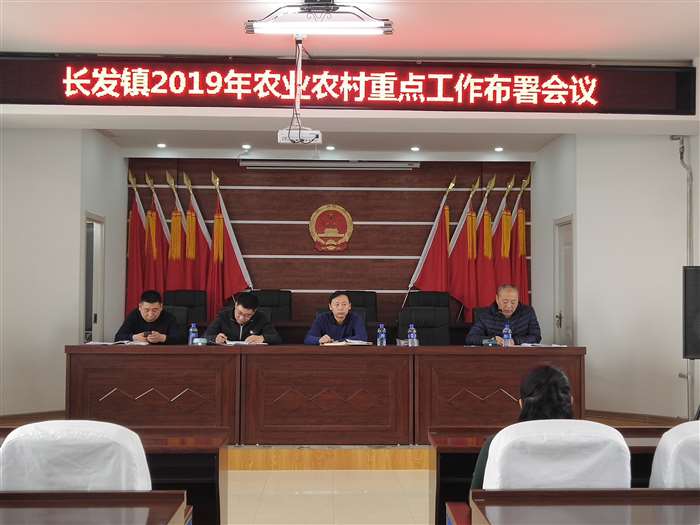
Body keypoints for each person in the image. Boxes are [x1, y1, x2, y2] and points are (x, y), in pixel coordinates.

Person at [470, 365, 573, 489]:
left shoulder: (497, 442)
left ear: (521, 404)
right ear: (571, 401)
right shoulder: (596, 436)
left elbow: (475, 496)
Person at [465, 284, 541, 346]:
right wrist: (492, 341)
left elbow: (536, 337)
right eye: (505, 302)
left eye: (513, 302)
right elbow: (470, 339)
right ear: (497, 299)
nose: (509, 306)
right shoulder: (485, 314)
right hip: (493, 357)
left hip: (521, 356)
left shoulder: (528, 312)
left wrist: (515, 341)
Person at [204, 292, 282, 345]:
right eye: (239, 313)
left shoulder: (261, 318)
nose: (241, 318)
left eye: (248, 315)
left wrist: (262, 338)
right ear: (236, 305)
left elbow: (276, 338)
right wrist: (215, 338)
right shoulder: (223, 316)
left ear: (254, 311)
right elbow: (204, 337)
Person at [115, 290, 182, 344]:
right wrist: (134, 337)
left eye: (155, 310)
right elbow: (118, 337)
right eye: (146, 310)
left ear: (161, 307)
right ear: (140, 307)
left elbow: (180, 339)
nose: (150, 314)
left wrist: (162, 338)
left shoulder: (169, 318)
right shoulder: (134, 316)